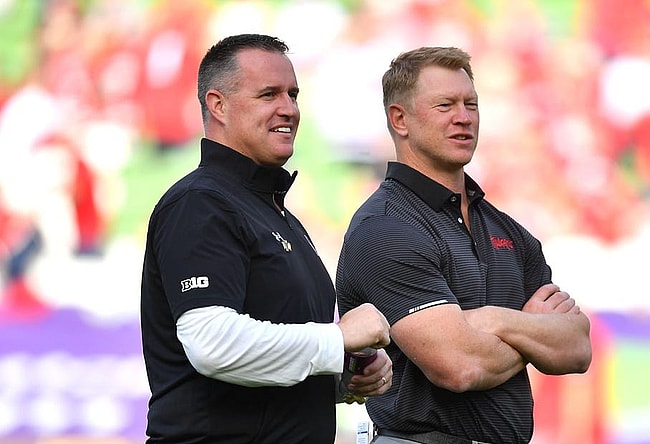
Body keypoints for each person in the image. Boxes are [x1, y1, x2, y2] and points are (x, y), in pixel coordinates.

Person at [140, 34, 393, 444]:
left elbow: (265, 370)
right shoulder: (199, 202)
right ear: (217, 105)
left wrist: (344, 372)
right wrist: (337, 340)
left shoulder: (277, 213)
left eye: (293, 94)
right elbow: (212, 345)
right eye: (268, 94)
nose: (289, 109)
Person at [336, 46, 593, 444]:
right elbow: (459, 367)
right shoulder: (384, 229)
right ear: (399, 119)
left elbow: (576, 349)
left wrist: (493, 319)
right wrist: (532, 331)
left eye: (471, 104)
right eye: (445, 105)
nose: (463, 117)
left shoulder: (509, 230)